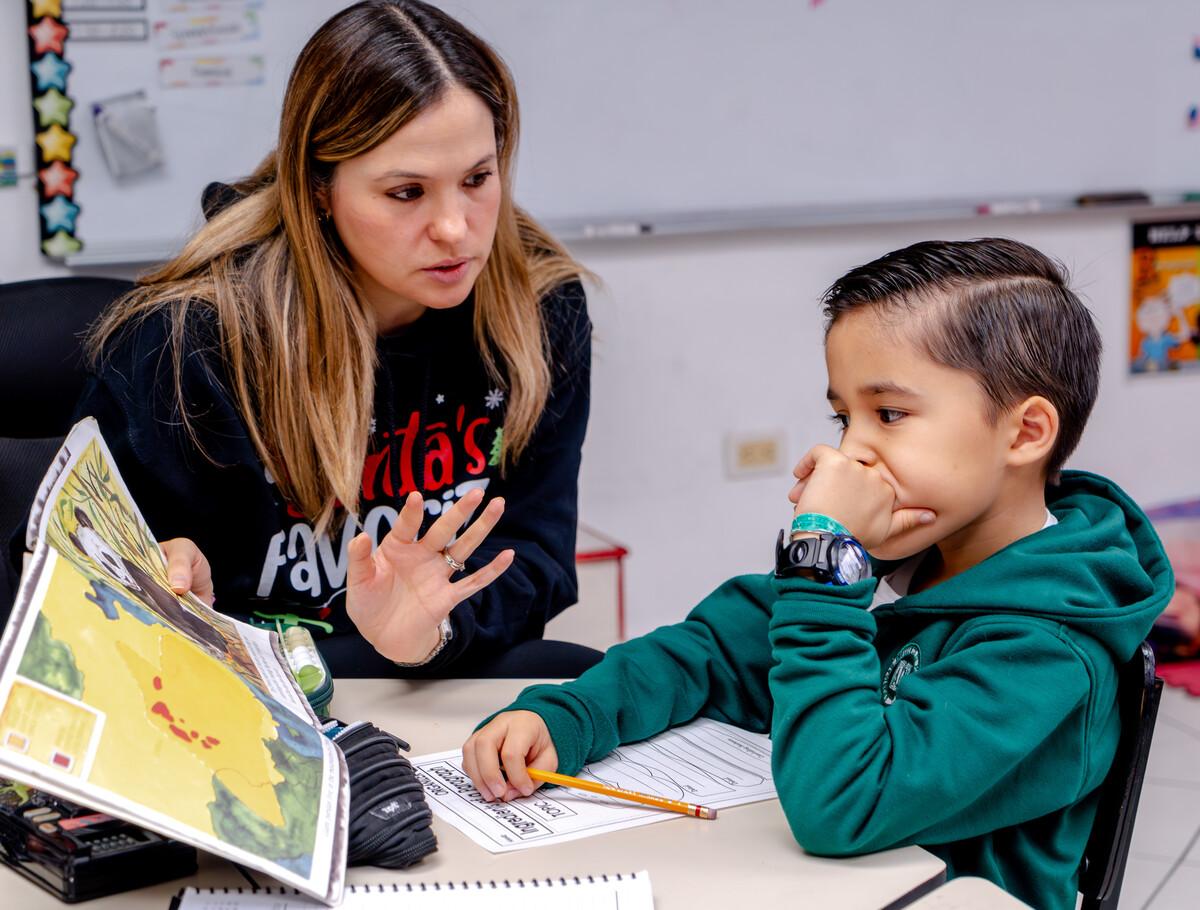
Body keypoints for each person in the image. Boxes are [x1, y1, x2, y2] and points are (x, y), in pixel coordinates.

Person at [462, 238, 1173, 909]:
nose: (850, 450)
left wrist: (824, 566)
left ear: (1025, 432)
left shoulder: (1050, 653)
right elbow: (714, 651)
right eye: (843, 419)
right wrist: (570, 715)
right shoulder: (906, 557)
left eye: (889, 414)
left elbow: (843, 804)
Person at [73, 0, 599, 678]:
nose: (455, 229)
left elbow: (537, 554)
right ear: (319, 188)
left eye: (477, 179)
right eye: (406, 193)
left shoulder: (537, 307)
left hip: (428, 682)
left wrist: (434, 629)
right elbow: (73, 560)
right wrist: (162, 570)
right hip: (248, 692)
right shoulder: (188, 340)